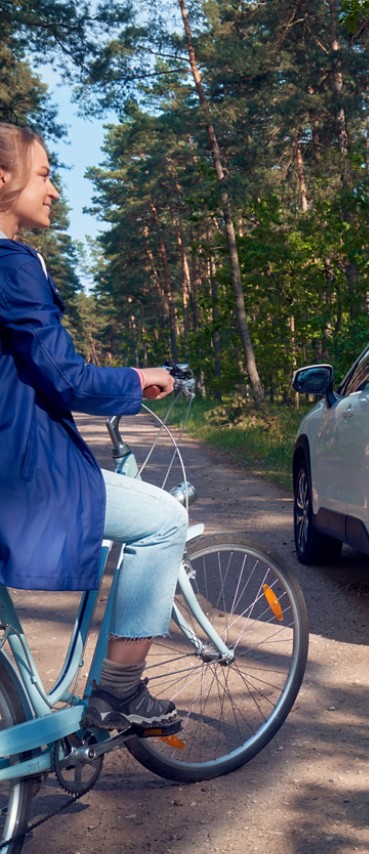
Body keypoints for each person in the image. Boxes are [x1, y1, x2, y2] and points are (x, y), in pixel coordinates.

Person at [0, 122, 185, 730]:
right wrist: (136, 380)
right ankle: (121, 692)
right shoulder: (13, 264)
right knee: (164, 522)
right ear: (5, 178)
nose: (53, 190)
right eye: (45, 174)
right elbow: (66, 379)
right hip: (24, 476)